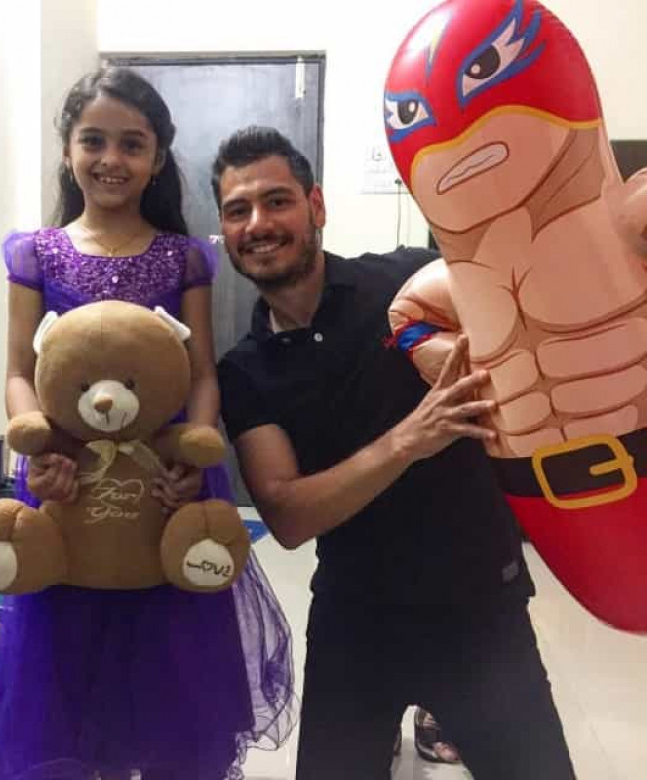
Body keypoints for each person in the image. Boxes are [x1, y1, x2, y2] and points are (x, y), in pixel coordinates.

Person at [214, 126, 576, 780]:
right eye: (238, 210)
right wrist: (411, 439)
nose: (258, 223)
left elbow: (534, 313)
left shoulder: (408, 280)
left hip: (479, 606)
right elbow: (288, 515)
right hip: (355, 617)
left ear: (316, 206)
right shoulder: (244, 371)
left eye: (277, 201)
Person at [0, 70, 294, 780]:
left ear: (157, 158)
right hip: (66, 482)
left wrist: (195, 457)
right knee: (67, 676)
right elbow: (18, 372)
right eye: (93, 140)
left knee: (171, 678)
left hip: (165, 484)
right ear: (68, 149)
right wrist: (37, 444)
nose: (111, 159)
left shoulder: (183, 257)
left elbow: (203, 373)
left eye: (132, 143)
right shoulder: (35, 254)